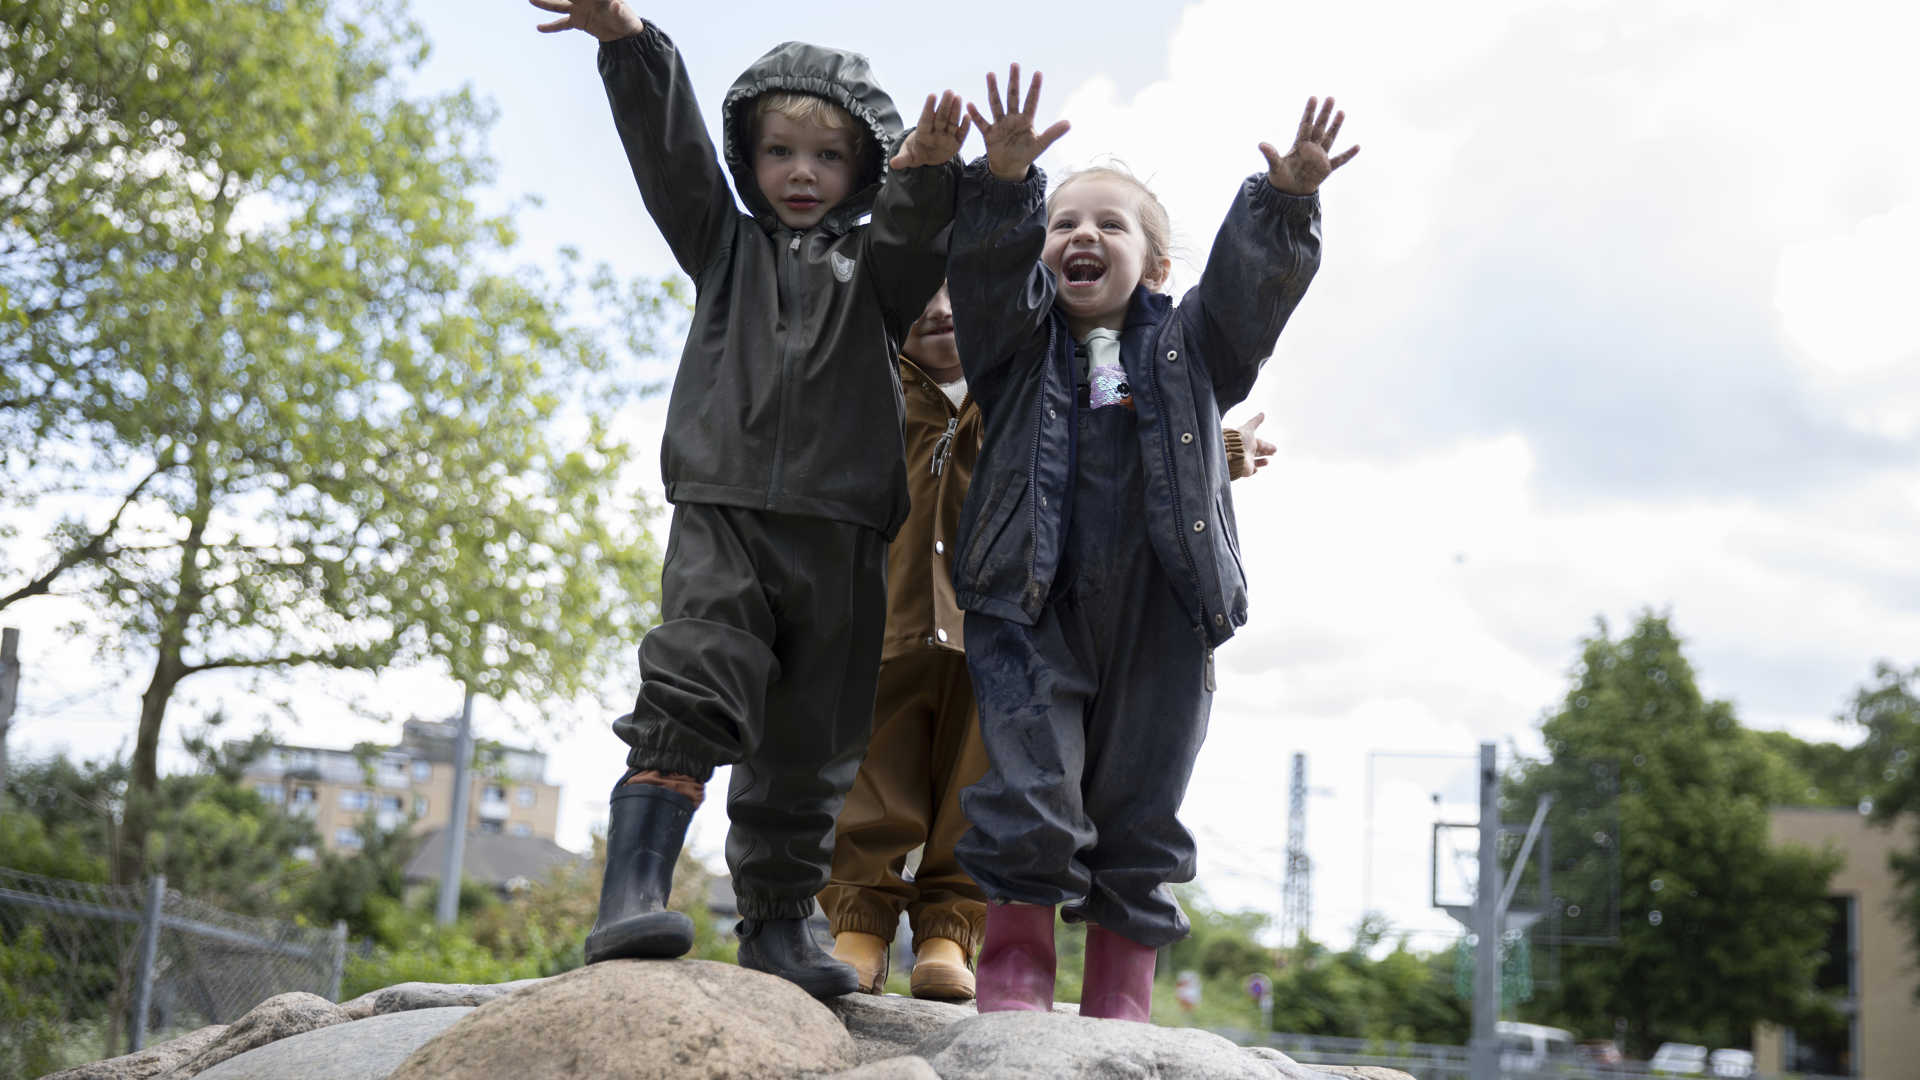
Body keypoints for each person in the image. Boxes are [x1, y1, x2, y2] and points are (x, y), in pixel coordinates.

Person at [527, 0, 968, 998]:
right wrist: (627, 42)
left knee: (813, 741)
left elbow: (914, 240)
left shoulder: (877, 276)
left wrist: (933, 175)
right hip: (724, 513)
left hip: (847, 534)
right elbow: (673, 156)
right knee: (696, 678)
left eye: (827, 156)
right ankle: (632, 887)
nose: (802, 173)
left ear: (865, 169)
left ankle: (776, 925)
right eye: (778, 151)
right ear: (750, 157)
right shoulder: (722, 248)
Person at [945, 65, 1357, 1020]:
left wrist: (1283, 203)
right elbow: (988, 273)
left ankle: (1123, 992)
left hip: (1165, 608)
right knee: (1033, 790)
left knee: (1144, 796)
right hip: (1028, 604)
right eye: (1063, 225)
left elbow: (1251, 298)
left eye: (1110, 226)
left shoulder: (1196, 347)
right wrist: (1008, 191)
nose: (1081, 236)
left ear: (1159, 268)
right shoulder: (1012, 343)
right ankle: (1013, 970)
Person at [819, 287, 1280, 1000]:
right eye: (924, 288)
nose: (941, 305)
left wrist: (1219, 450)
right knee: (875, 774)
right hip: (887, 616)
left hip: (999, 619)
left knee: (986, 784)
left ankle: (949, 930)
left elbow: (1116, 443)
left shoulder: (1025, 381)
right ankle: (860, 922)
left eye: (956, 288)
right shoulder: (870, 381)